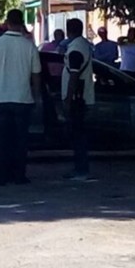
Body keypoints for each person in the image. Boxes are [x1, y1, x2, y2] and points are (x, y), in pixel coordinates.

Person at [0, 9, 42, 186]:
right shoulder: (29, 46)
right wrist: (36, 96)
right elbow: (36, 75)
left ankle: (1, 176)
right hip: (22, 99)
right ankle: (19, 175)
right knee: (20, 140)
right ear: (21, 23)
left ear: (7, 22)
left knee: (1, 139)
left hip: (0, 99)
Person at [61, 18, 96, 181]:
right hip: (81, 96)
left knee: (78, 136)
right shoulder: (82, 45)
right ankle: (80, 168)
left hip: (77, 98)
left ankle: (81, 170)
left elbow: (74, 75)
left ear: (69, 30)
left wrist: (68, 98)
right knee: (78, 135)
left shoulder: (75, 49)